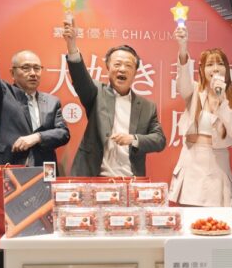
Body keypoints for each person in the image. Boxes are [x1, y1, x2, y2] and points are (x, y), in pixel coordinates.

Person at [62, 21, 166, 177]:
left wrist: (133, 139)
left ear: (135, 72)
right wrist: (71, 46)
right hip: (94, 178)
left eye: (128, 65)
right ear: (108, 68)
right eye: (117, 64)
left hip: (130, 180)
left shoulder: (147, 107)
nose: (122, 69)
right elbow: (80, 78)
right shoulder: (96, 92)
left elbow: (159, 140)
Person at [168, 26, 232, 207]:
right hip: (191, 162)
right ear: (202, 70)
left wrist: (222, 102)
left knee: (216, 220)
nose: (215, 68)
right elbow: (182, 82)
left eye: (220, 64)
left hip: (218, 166)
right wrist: (183, 48)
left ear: (227, 69)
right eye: (210, 64)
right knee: (190, 219)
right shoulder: (194, 91)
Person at [0, 31, 70, 167]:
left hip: (42, 168)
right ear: (12, 73)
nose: (33, 73)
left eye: (37, 68)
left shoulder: (52, 102)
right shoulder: (3, 93)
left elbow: (63, 133)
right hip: (7, 165)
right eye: (26, 68)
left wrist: (37, 137)